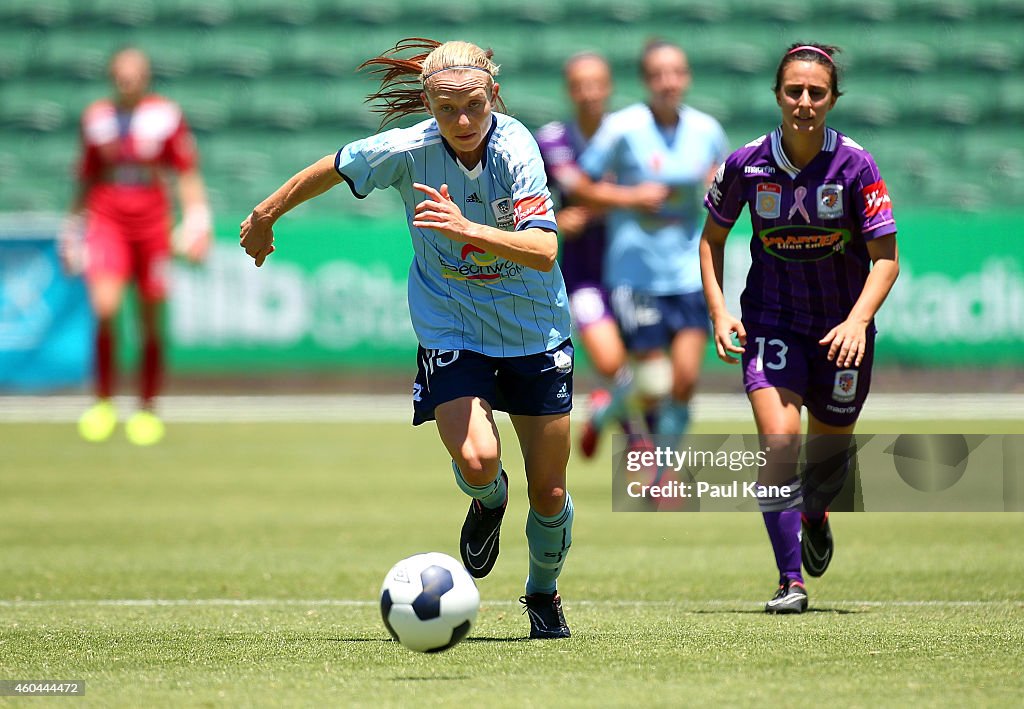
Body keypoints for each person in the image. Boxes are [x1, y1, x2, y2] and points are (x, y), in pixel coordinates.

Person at [240, 39, 574, 639]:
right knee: (477, 460)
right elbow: (335, 166)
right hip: (452, 325)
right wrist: (266, 215)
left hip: (535, 329)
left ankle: (542, 595)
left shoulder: (517, 147)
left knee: (549, 491)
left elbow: (545, 250)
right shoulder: (407, 148)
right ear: (429, 103)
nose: (463, 122)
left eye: (474, 106)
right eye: (447, 110)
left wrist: (468, 229)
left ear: (493, 94)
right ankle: (489, 500)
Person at [699, 43, 899, 613]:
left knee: (826, 468)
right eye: (794, 91)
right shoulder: (745, 164)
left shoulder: (856, 166)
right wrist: (719, 310)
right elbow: (710, 242)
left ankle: (816, 512)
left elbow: (886, 258)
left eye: (817, 92)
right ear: (777, 95)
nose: (805, 102)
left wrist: (859, 321)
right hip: (772, 324)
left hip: (841, 333)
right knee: (780, 448)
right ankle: (791, 581)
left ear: (833, 99)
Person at [577, 39, 728, 449]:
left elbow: (725, 191)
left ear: (687, 77)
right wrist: (631, 197)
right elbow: (580, 185)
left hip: (688, 273)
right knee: (653, 381)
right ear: (646, 81)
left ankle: (614, 418)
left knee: (684, 381)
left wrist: (716, 188)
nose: (668, 82)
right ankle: (659, 470)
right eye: (658, 74)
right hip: (635, 273)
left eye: (676, 72)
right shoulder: (622, 128)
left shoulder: (707, 131)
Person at [63, 46, 211, 446]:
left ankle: (146, 407)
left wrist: (197, 222)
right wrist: (72, 230)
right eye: (121, 73)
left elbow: (185, 172)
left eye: (135, 73)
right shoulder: (96, 118)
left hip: (151, 222)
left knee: (149, 316)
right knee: (105, 307)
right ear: (112, 75)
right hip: (108, 218)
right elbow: (86, 178)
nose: (127, 80)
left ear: (145, 77)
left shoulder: (165, 115)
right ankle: (103, 402)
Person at [535, 52, 660, 459]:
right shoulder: (551, 140)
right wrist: (555, 220)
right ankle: (642, 449)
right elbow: (533, 198)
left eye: (596, 84)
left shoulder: (630, 137)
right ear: (569, 91)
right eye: (579, 85)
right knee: (610, 362)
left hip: (635, 272)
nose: (588, 93)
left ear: (608, 87)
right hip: (583, 274)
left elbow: (656, 193)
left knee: (652, 377)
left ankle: (606, 412)